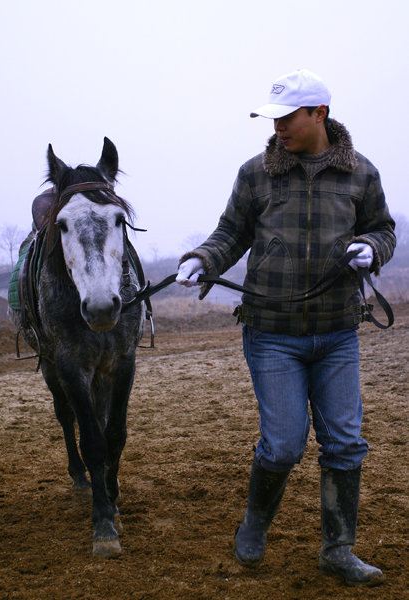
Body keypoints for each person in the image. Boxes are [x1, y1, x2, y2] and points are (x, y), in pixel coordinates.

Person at [176, 69, 396, 587]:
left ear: (319, 113)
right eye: (271, 118)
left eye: (286, 117)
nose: (277, 127)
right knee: (283, 445)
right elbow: (231, 232)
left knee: (345, 443)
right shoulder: (256, 173)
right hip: (272, 332)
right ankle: (255, 523)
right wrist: (203, 259)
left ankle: (338, 551)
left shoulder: (361, 173)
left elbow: (382, 228)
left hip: (338, 332)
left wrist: (372, 248)